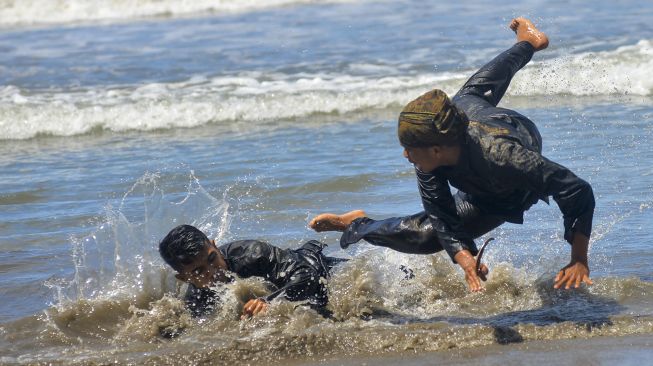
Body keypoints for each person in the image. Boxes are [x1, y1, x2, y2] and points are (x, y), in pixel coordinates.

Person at [309, 18, 595, 293]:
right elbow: (441, 212)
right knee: (423, 235)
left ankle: (529, 43)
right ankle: (357, 223)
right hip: (469, 126)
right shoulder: (431, 151)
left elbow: (577, 190)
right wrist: (464, 255)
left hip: (506, 175)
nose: (405, 155)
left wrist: (579, 258)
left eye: (410, 149)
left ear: (435, 148)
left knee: (475, 104)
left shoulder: (506, 158)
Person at [158, 224, 346, 318]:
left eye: (212, 258)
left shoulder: (252, 255)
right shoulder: (196, 299)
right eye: (199, 271)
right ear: (184, 278)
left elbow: (309, 275)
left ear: (214, 246)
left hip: (324, 269)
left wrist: (268, 301)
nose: (213, 271)